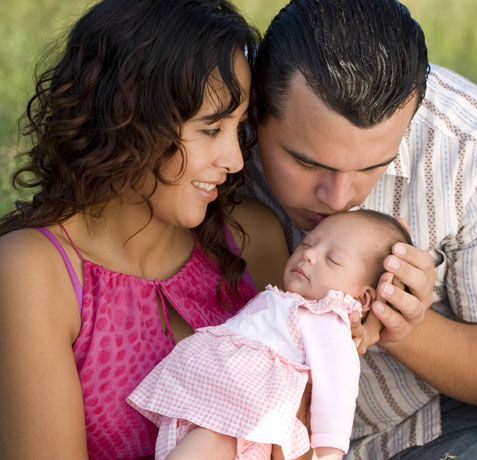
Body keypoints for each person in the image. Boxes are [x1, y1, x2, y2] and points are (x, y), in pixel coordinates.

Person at [242, 0, 477, 459]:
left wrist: (404, 326)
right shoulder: (217, 116)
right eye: (306, 162)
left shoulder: (471, 150)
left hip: (445, 422)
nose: (339, 198)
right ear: (255, 111)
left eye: (372, 166)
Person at [0, 1, 293, 459]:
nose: (236, 161)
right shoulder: (36, 272)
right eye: (211, 128)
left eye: (240, 128)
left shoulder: (251, 239)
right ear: (129, 117)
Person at [127, 210, 412, 460]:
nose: (309, 254)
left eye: (332, 259)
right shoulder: (284, 301)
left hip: (245, 416)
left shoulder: (326, 319)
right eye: (308, 242)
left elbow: (337, 385)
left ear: (363, 299)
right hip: (224, 406)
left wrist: (329, 451)